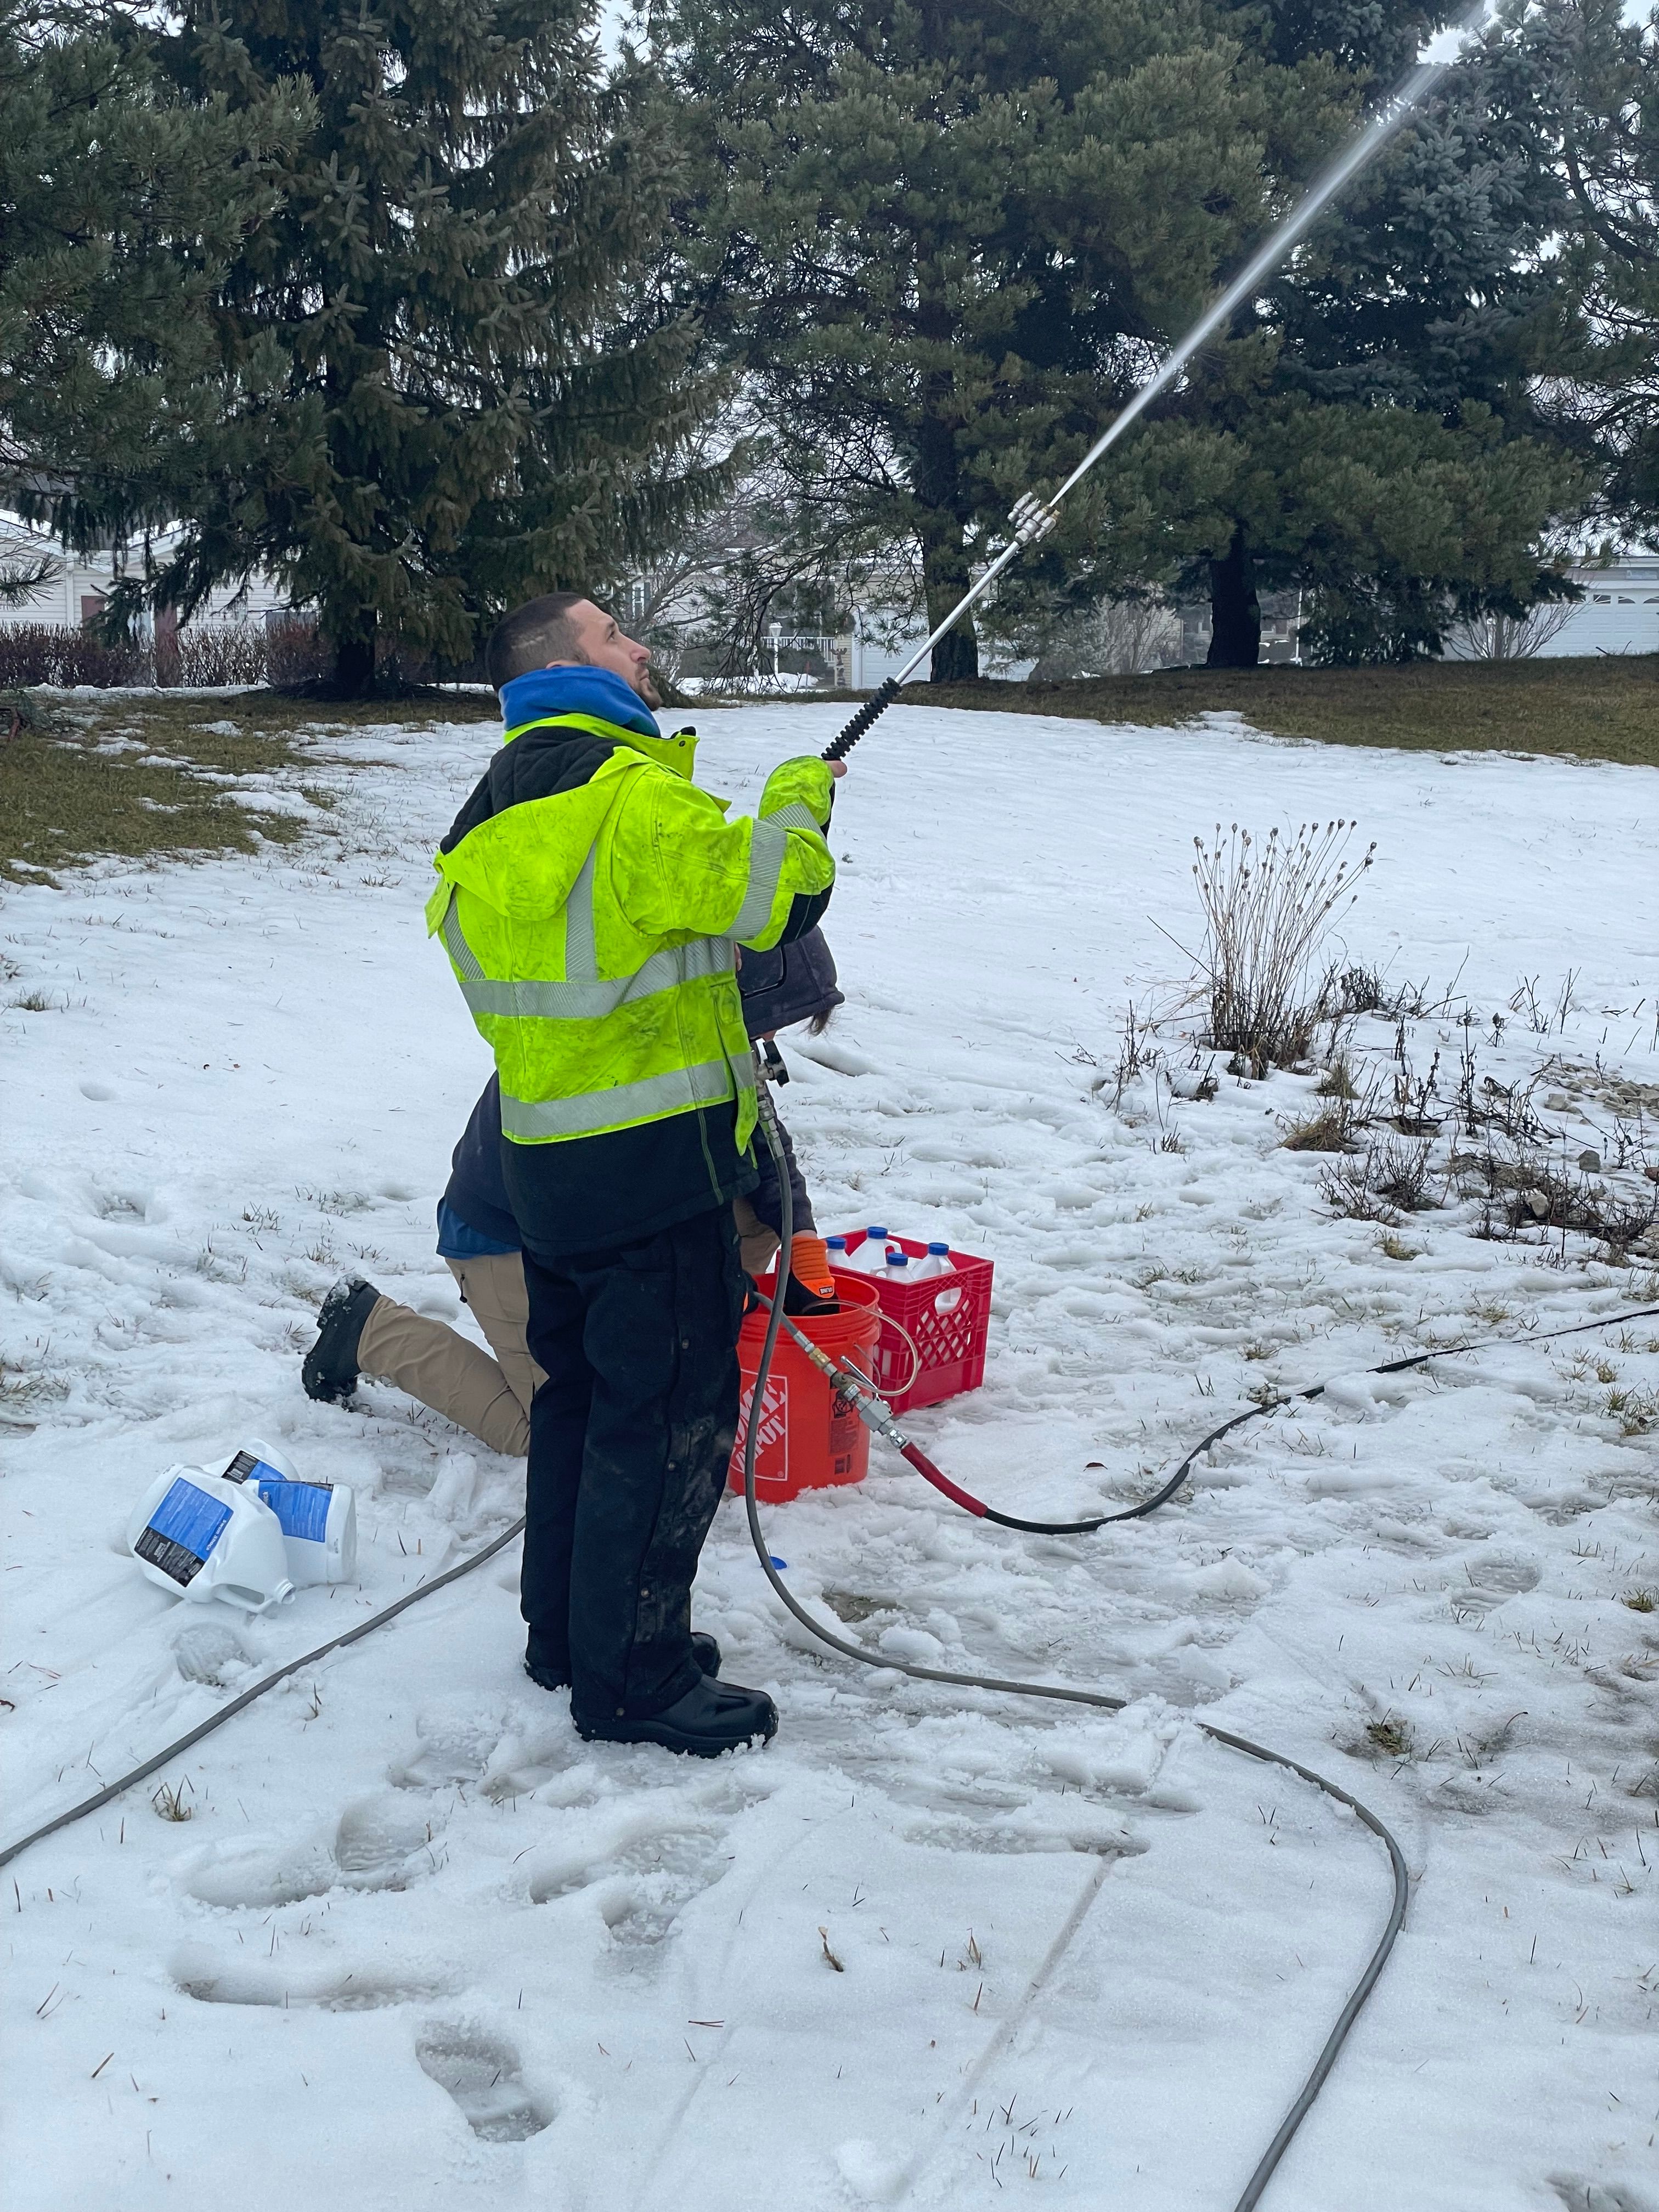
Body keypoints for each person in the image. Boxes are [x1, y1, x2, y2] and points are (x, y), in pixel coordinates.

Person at [423, 591, 841, 1757]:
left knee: (581, 1409)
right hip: (658, 1173)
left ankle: (568, 1635)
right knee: (661, 1428)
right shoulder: (631, 800)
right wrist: (802, 796)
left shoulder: (480, 828)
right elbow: (783, 897)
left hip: (549, 1169)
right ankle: (634, 1679)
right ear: (567, 667)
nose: (641, 648)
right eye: (617, 635)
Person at [300, 930, 845, 1455]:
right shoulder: (620, 1060)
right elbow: (608, 1216)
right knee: (563, 1432)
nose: (769, 1041)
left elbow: (768, 1147)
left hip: (590, 1226)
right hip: (508, 1237)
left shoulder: (702, 1035)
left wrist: (801, 1239)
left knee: (754, 1213)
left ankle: (705, 1336)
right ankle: (370, 1330)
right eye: (767, 1025)